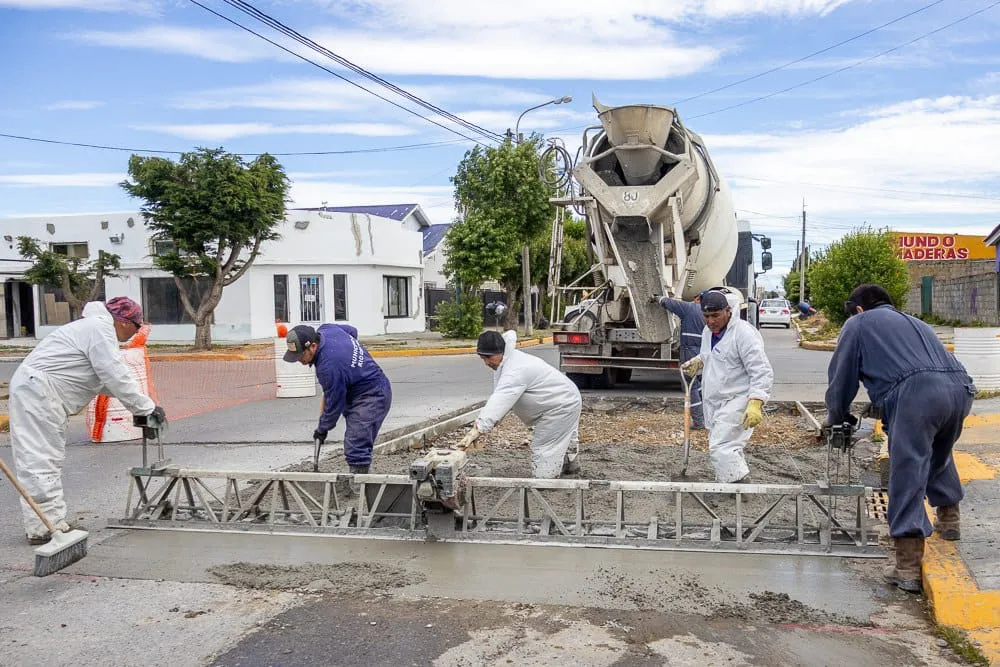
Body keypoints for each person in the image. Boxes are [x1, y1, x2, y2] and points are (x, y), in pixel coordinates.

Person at [825, 284, 974, 593]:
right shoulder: (915, 321)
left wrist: (836, 418)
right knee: (936, 453)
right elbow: (914, 370)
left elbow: (842, 380)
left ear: (859, 309)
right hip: (960, 389)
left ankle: (907, 566)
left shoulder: (858, 323)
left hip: (918, 396)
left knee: (907, 469)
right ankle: (949, 520)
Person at [9, 297, 164, 544]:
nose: (135, 334)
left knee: (45, 459)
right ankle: (45, 528)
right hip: (38, 394)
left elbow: (105, 382)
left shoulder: (93, 329)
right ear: (124, 322)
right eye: (137, 328)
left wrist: (143, 407)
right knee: (40, 460)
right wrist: (146, 407)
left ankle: (47, 523)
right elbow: (114, 374)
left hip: (41, 393)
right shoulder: (99, 329)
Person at [459, 330, 581, 478]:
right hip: (564, 400)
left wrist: (478, 428)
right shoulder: (507, 363)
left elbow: (501, 399)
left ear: (500, 351)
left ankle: (545, 480)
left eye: (488, 357)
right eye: (482, 358)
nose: (486, 363)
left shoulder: (515, 369)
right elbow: (503, 401)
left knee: (546, 446)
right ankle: (571, 466)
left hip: (561, 406)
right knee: (563, 435)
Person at [681, 290, 774, 483]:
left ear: (728, 311)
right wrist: (700, 361)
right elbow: (715, 355)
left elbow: (761, 370)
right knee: (727, 445)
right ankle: (730, 482)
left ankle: (738, 488)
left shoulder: (744, 334)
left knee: (721, 446)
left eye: (715, 316)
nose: (711, 321)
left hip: (739, 399)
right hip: (717, 401)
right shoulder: (709, 332)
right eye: (706, 316)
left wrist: (756, 402)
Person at [284, 323, 392, 474]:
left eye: (301, 355)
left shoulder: (329, 367)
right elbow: (352, 331)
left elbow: (335, 404)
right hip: (359, 389)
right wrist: (349, 357)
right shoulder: (328, 329)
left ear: (313, 346)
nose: (299, 361)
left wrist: (322, 429)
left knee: (356, 445)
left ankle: (359, 490)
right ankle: (364, 481)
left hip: (372, 396)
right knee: (358, 441)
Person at [656, 292, 706, 429]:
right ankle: (706, 417)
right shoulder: (708, 312)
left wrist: (658, 298)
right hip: (703, 352)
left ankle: (699, 421)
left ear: (697, 299)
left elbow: (671, 304)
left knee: (690, 386)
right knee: (700, 383)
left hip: (689, 351)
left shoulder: (690, 308)